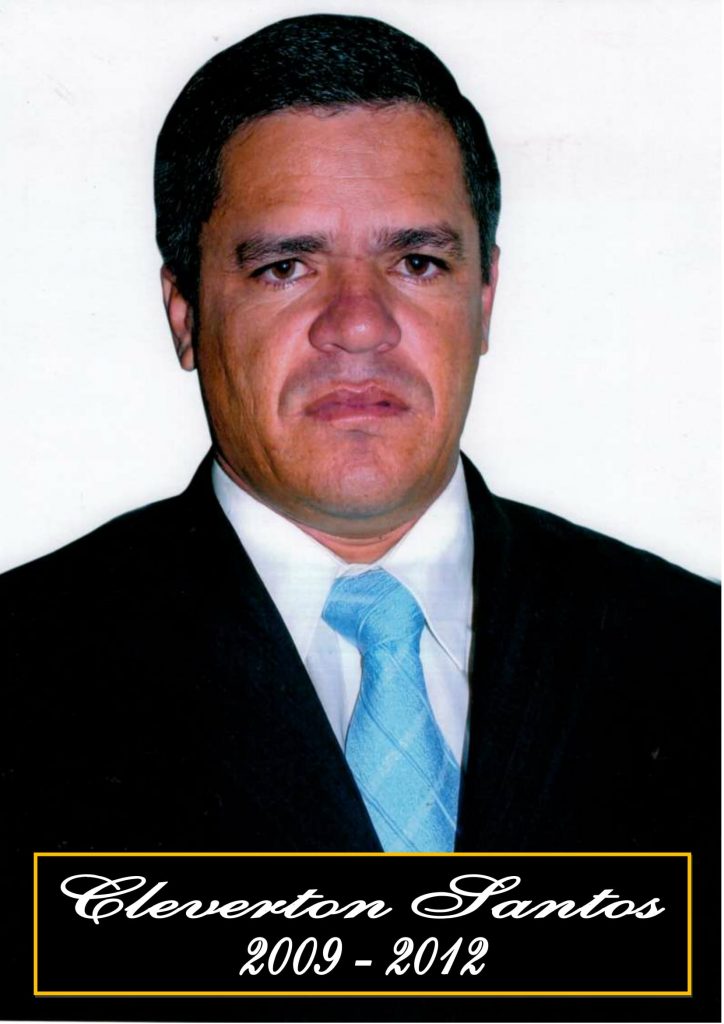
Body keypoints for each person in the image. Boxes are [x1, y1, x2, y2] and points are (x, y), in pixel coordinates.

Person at [0, 10, 718, 1003]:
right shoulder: (20, 672)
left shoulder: (694, 659)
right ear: (185, 312)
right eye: (284, 266)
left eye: (416, 262)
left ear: (484, 297)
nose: (359, 325)